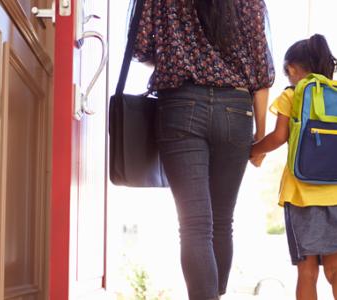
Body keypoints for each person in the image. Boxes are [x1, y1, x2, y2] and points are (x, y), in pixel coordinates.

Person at [132, 0, 275, 299]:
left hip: (181, 104)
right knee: (222, 221)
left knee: (195, 225)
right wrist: (260, 138)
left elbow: (141, 46)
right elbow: (261, 74)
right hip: (236, 111)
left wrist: (178, 53)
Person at [250, 34, 337, 300]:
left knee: (307, 274)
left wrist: (252, 152)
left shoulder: (293, 94)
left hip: (303, 195)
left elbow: (278, 137)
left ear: (293, 69)